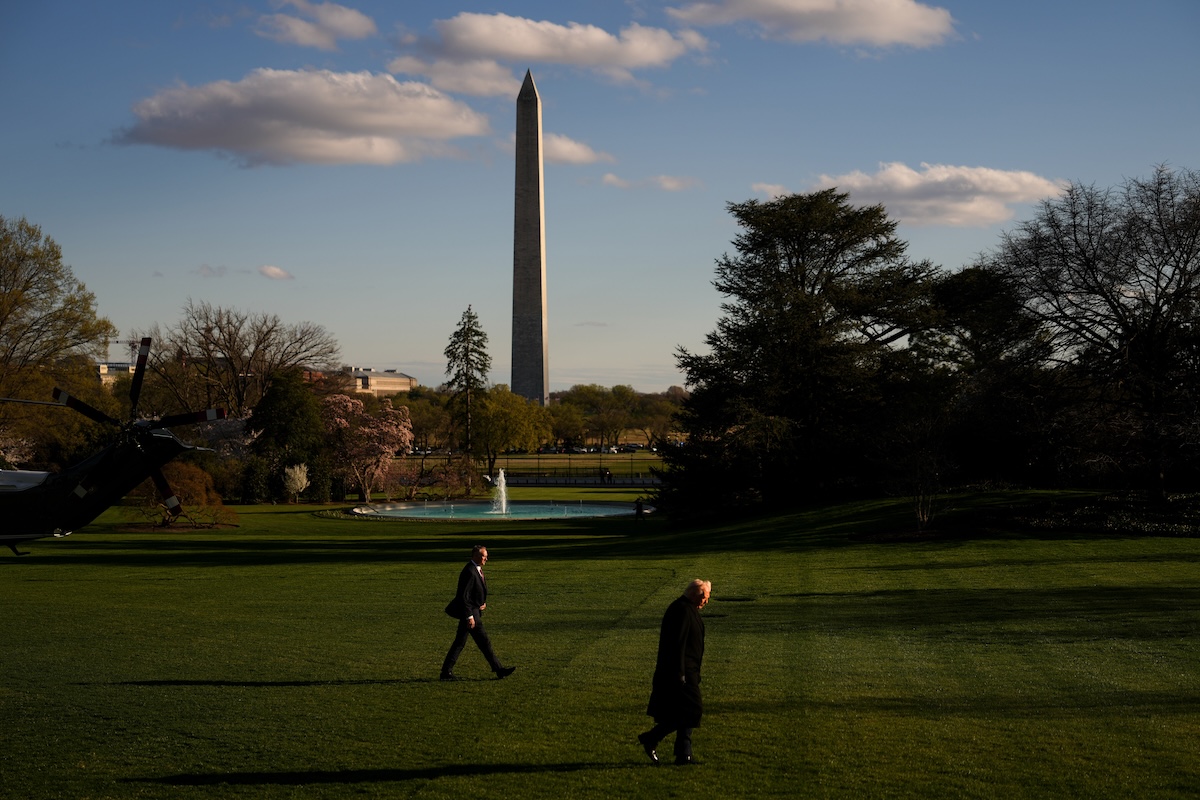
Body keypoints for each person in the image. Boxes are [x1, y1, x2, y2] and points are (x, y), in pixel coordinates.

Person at [638, 578, 711, 766]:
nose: (706, 601)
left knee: (683, 712)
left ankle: (683, 754)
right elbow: (677, 645)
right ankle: (653, 738)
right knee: (692, 710)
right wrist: (680, 674)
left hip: (687, 671)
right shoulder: (682, 611)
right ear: (697, 595)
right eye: (705, 597)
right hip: (682, 672)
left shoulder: (685, 609)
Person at [440, 545, 516, 681]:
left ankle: (446, 672)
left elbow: (472, 593)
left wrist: (481, 603)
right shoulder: (469, 571)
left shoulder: (476, 569)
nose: (486, 558)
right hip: (471, 614)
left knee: (463, 643)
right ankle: (499, 670)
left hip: (474, 611)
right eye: (483, 556)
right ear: (475, 556)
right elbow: (463, 596)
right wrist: (469, 616)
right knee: (482, 642)